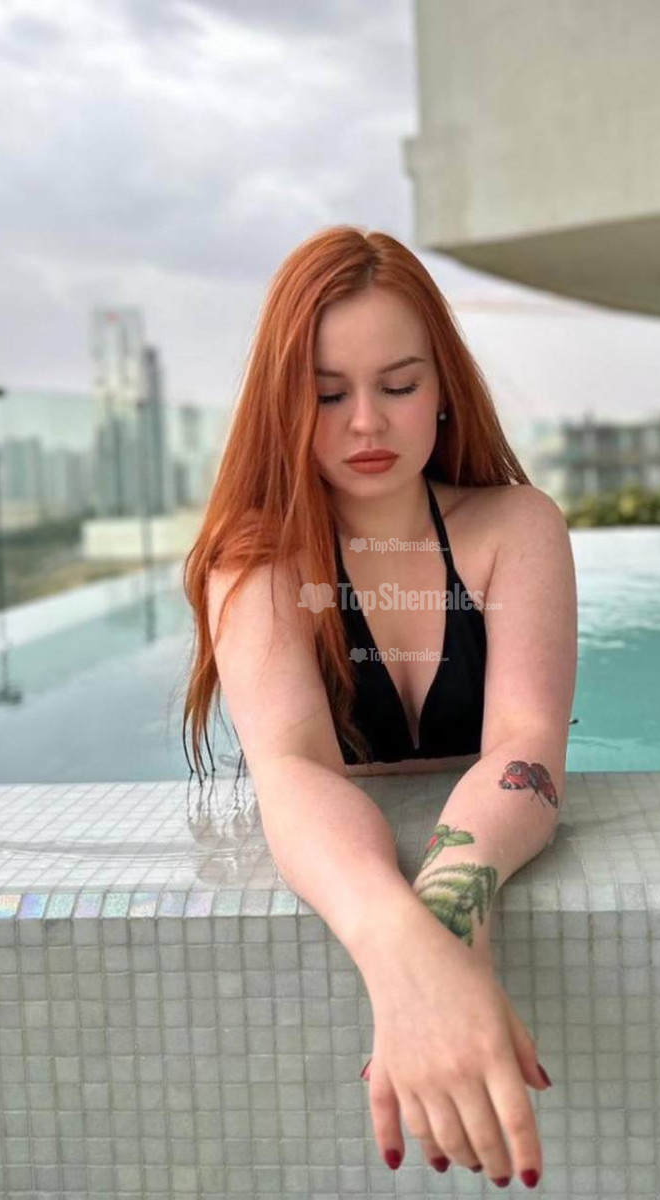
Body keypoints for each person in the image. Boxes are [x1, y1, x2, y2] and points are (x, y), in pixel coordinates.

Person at [181, 226, 578, 1189]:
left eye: (398, 385)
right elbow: (291, 768)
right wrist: (402, 951)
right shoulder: (257, 562)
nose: (366, 423)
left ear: (442, 388)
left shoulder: (516, 528)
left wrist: (448, 913)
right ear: (282, 403)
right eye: (326, 394)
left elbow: (525, 741)